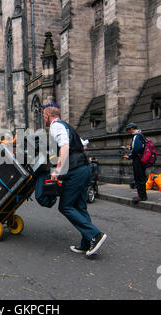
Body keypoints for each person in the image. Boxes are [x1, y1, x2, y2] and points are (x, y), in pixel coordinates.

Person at [43, 103, 107, 258]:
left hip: (75, 170)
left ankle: (95, 235)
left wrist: (58, 170)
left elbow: (64, 147)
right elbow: (81, 146)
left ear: (47, 116)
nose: (43, 119)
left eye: (44, 116)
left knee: (65, 206)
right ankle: (87, 243)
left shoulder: (55, 126)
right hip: (84, 168)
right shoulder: (67, 126)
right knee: (80, 206)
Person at [123, 123, 147, 203]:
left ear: (133, 128)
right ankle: (143, 195)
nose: (129, 131)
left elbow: (136, 150)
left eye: (129, 129)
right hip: (141, 159)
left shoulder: (136, 136)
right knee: (141, 177)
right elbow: (139, 147)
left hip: (138, 160)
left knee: (138, 178)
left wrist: (129, 156)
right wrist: (131, 147)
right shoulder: (141, 135)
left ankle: (141, 196)